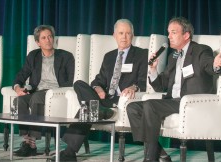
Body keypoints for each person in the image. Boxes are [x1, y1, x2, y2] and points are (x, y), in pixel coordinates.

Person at [49, 19, 149, 162]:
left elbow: (144, 81)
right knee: (78, 84)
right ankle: (100, 109)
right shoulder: (109, 56)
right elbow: (98, 80)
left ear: (132, 35)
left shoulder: (141, 54)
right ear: (114, 35)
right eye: (121, 33)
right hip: (104, 99)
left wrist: (134, 87)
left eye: (128, 33)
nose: (124, 37)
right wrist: (97, 88)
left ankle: (69, 153)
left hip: (122, 99)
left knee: (88, 108)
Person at [126, 17, 221, 162]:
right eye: (168, 32)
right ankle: (161, 154)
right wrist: (153, 70)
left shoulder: (200, 50)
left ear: (186, 35)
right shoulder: (173, 56)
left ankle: (150, 158)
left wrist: (216, 65)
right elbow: (161, 86)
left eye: (173, 32)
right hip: (172, 101)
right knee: (133, 107)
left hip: (192, 103)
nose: (169, 36)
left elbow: (210, 65)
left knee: (150, 105)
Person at [12, 25, 75, 157]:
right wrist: (17, 87)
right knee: (20, 100)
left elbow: (70, 81)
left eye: (50, 36)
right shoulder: (33, 56)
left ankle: (32, 144)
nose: (48, 40)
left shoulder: (66, 56)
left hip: (58, 93)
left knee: (36, 98)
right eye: (44, 38)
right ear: (37, 42)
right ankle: (26, 140)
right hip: (37, 91)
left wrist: (56, 91)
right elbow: (22, 74)